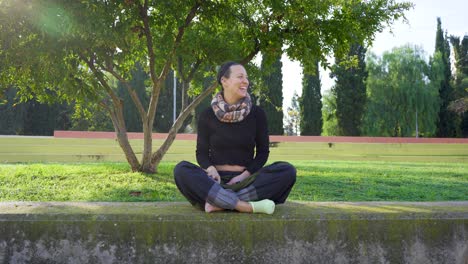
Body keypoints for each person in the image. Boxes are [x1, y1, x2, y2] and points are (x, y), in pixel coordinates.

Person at [173, 61, 296, 214]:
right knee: (181, 170)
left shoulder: (257, 114)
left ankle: (219, 202)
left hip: (246, 181)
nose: (246, 81)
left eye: (246, 77)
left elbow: (263, 153)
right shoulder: (207, 115)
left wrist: (243, 176)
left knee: (287, 171)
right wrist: (211, 170)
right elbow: (202, 153)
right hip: (214, 182)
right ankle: (243, 205)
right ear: (224, 81)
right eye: (240, 77)